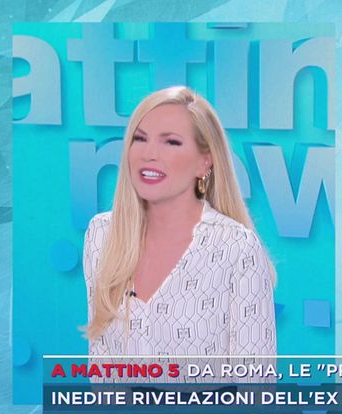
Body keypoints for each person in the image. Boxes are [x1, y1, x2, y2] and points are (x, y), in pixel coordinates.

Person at [83, 87, 276, 374]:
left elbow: (255, 382)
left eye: (171, 142)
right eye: (140, 138)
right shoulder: (101, 234)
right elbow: (101, 362)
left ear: (205, 161)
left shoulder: (236, 247)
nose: (149, 154)